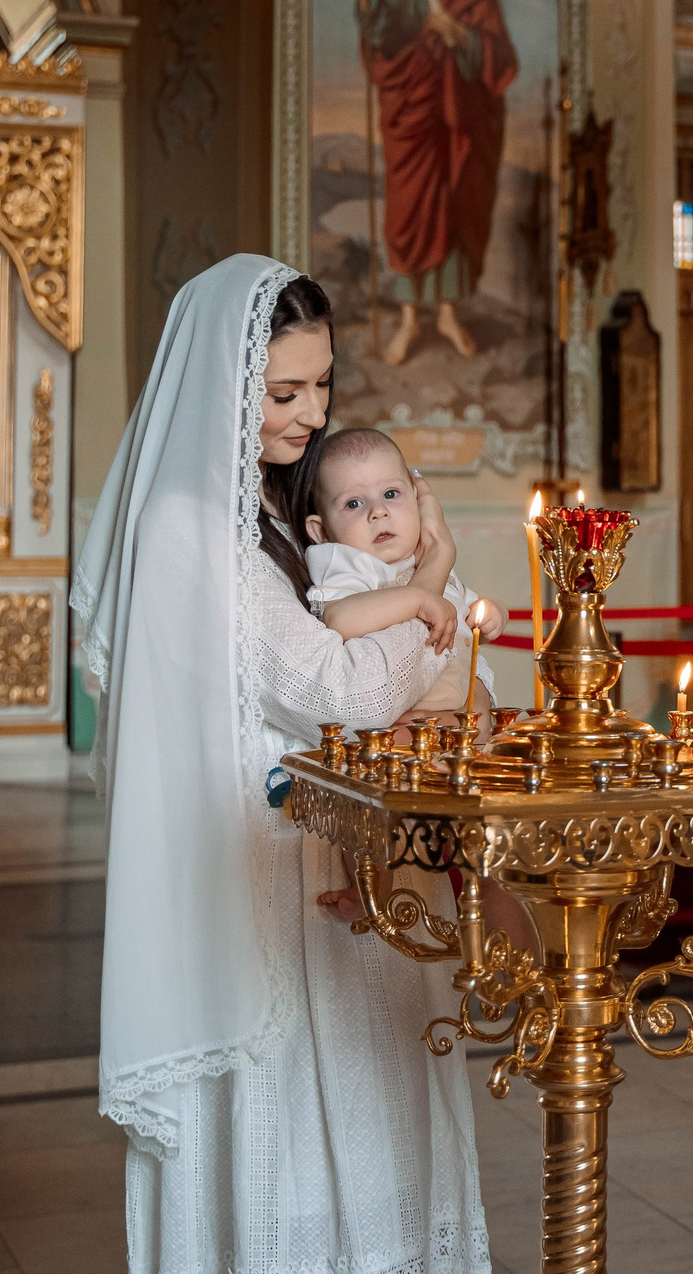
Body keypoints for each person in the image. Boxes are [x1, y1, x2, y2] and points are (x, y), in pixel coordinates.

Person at [74, 258, 500, 1274]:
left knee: (377, 1096)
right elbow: (343, 687)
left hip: (329, 852)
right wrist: (432, 581)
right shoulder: (191, 528)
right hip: (262, 881)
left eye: (320, 386)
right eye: (283, 393)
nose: (309, 416)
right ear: (229, 387)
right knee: (300, 1127)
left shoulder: (267, 513)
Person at [358, 0, 520, 367]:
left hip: (459, 124)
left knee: (452, 208)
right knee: (409, 209)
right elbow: (378, 32)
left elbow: (501, 59)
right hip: (411, 117)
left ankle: (447, 313)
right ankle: (409, 318)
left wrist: (463, 38)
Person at [301, 426, 489, 723]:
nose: (378, 511)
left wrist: (490, 614)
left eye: (391, 494)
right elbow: (339, 619)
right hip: (399, 727)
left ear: (418, 500)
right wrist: (417, 599)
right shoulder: (350, 563)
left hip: (456, 721)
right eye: (354, 503)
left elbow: (463, 610)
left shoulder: (427, 558)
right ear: (321, 531)